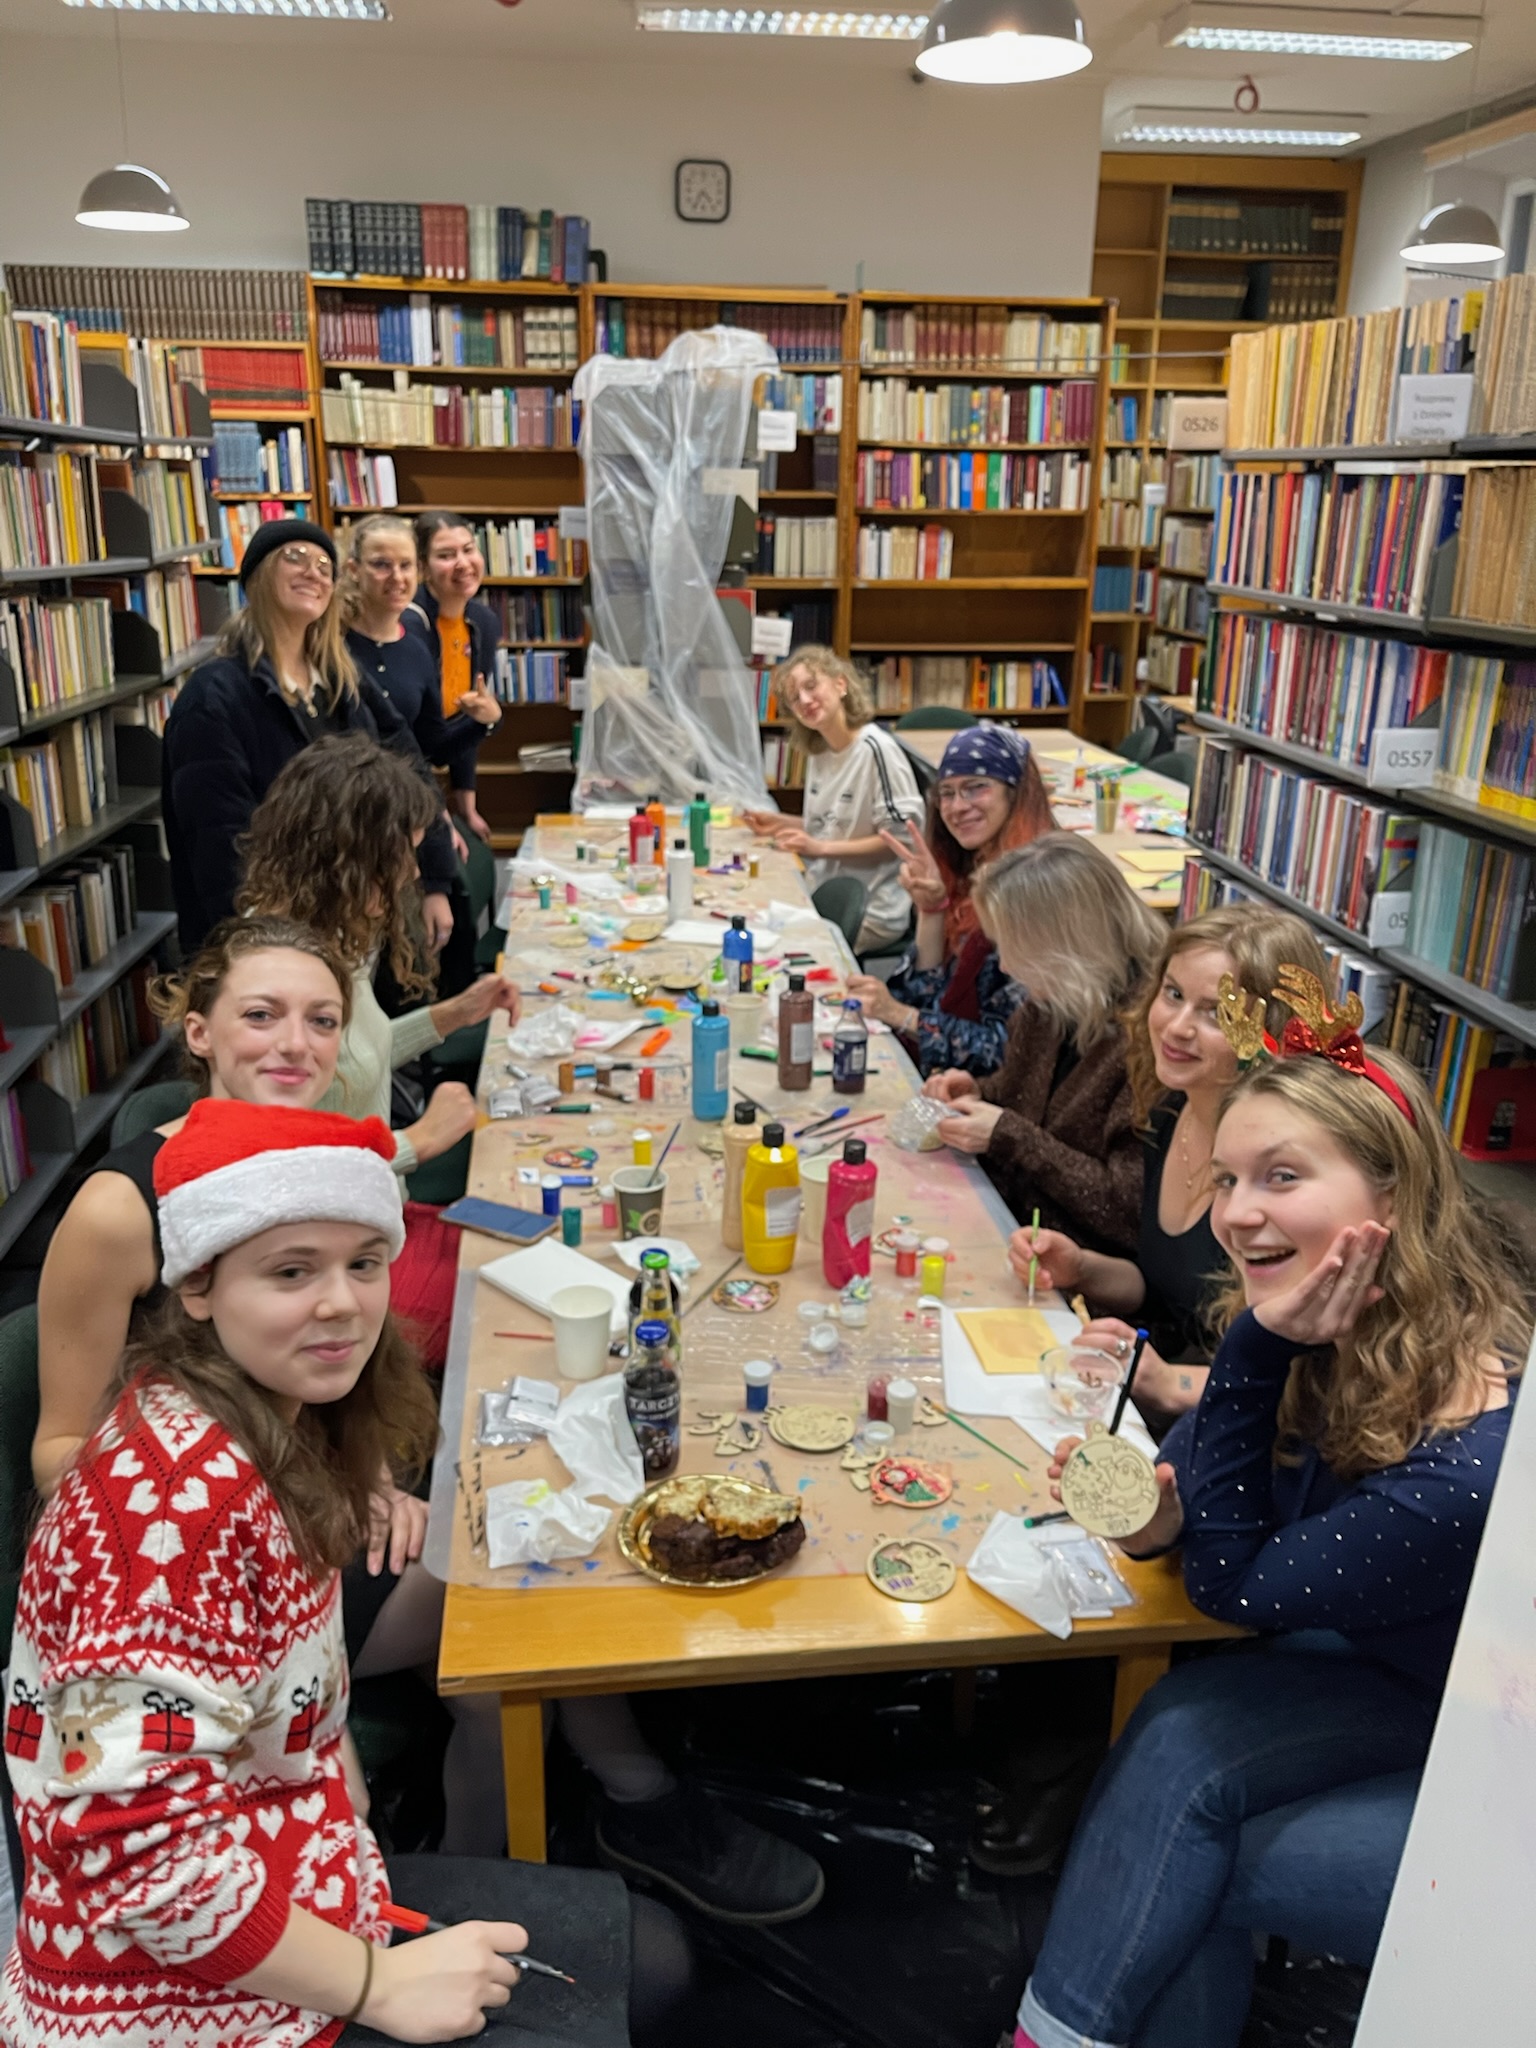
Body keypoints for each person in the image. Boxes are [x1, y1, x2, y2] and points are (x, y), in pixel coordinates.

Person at [2, 1098, 690, 2048]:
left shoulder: (278, 1415)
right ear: (198, 1284)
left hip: (290, 1872)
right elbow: (136, 1861)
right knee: (647, 1970)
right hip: (165, 1996)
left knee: (650, 1963)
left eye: (364, 1263)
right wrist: (377, 1982)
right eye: (291, 1271)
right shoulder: (166, 1513)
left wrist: (333, 1793)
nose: (341, 1303)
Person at [1012, 996, 1523, 2048]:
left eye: (1282, 1177)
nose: (1238, 1214)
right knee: (1175, 1734)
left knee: (1186, 1865)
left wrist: (1250, 1354)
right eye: (1229, 1179)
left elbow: (1231, 1587)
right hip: (1409, 1670)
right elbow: (1204, 1498)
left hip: (1499, 1753)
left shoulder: (1469, 1458)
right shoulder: (1339, 1321)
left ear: (1394, 1193)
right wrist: (1156, 1517)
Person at [29, 918, 507, 1860]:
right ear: (198, 1031)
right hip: (202, 1565)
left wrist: (367, 1479)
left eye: (322, 1021)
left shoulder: (317, 1164)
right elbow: (59, 1453)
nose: (296, 1045)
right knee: (499, 1610)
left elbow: (327, 1385)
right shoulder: (119, 1210)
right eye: (262, 1015)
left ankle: (493, 1863)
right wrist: (283, 1521)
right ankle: (495, 1868)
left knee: (501, 1520)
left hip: (317, 1502)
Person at [234, 736, 521, 1369]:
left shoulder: (331, 934)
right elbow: (289, 1165)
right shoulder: (277, 978)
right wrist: (420, 1140)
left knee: (521, 1241)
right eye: (403, 855)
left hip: (375, 1216)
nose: (414, 875)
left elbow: (358, 1055)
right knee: (510, 1311)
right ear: (350, 857)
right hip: (329, 1260)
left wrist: (455, 1013)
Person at [1007, 904, 1330, 1426]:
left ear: (1272, 1035)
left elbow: (1304, 1376)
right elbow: (1167, 1289)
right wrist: (1081, 1268)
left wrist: (1167, 1383)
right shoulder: (1170, 1111)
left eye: (1216, 1014)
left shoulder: (1288, 1174)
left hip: (1237, 1429)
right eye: (1174, 994)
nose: (1177, 1027)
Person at [162, 518, 458, 955]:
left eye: (324, 566)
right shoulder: (213, 696)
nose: (313, 572)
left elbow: (409, 770)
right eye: (295, 557)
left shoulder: (342, 680)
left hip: (349, 924)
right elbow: (219, 845)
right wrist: (267, 952)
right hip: (265, 945)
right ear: (259, 575)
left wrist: (435, 879)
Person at [924, 834, 1163, 1256]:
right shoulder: (1054, 1001)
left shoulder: (1151, 1043)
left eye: (1016, 948)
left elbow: (1124, 1212)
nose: (1006, 965)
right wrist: (979, 1091)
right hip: (1011, 1221)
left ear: (1067, 947)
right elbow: (1032, 1097)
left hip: (1072, 1260)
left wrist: (1006, 1134)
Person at [845, 723, 1053, 1076]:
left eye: (976, 788)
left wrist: (901, 1016)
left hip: (988, 1093)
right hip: (950, 1077)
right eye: (947, 793)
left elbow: (1008, 1050)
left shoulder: (1037, 892)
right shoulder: (968, 866)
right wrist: (932, 912)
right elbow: (924, 994)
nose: (957, 807)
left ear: (1015, 794)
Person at [741, 646, 924, 955]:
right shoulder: (820, 752)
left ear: (841, 685)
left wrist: (819, 848)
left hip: (869, 908)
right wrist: (780, 823)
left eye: (811, 686)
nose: (805, 700)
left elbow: (902, 838)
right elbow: (833, 824)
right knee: (748, 916)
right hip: (824, 891)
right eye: (795, 698)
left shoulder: (876, 750)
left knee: (773, 950)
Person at [342, 514, 500, 786]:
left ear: (418, 570)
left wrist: (485, 721)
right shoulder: (331, 642)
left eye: (406, 565)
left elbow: (432, 748)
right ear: (354, 570)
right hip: (341, 798)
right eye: (381, 565)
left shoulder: (416, 650)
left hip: (403, 797)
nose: (397, 577)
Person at [402, 512, 505, 844]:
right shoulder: (408, 626)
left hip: (437, 759)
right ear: (422, 567)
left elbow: (467, 718)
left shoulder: (483, 622)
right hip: (399, 779)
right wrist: (438, 813)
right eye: (446, 555)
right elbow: (406, 739)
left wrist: (466, 805)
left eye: (469, 549)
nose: (463, 563)